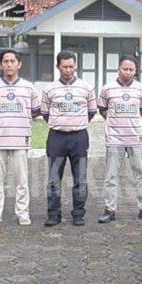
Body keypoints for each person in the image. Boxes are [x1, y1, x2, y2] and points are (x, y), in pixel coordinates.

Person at [0, 49, 40, 226]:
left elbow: (35, 111)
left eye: (12, 61)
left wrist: (18, 119)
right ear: (0, 65)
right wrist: (2, 118)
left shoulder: (28, 87)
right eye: (5, 61)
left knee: (21, 181)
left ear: (19, 64)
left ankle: (23, 213)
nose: (9, 64)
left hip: (20, 139)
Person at [97, 55, 142, 223]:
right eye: (125, 69)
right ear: (119, 69)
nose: (128, 72)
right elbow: (103, 110)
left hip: (136, 139)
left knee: (141, 175)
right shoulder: (107, 89)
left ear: (135, 71)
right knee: (111, 176)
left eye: (131, 69)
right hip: (114, 140)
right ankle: (110, 210)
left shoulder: (141, 90)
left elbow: (141, 112)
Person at [41, 51, 97, 226]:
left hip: (79, 138)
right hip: (56, 138)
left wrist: (75, 124)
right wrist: (61, 123)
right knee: (54, 179)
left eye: (71, 66)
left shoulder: (87, 88)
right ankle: (53, 214)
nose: (68, 70)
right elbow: (45, 113)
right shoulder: (49, 89)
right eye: (64, 66)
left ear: (76, 66)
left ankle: (78, 213)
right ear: (58, 67)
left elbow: (91, 112)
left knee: (80, 178)